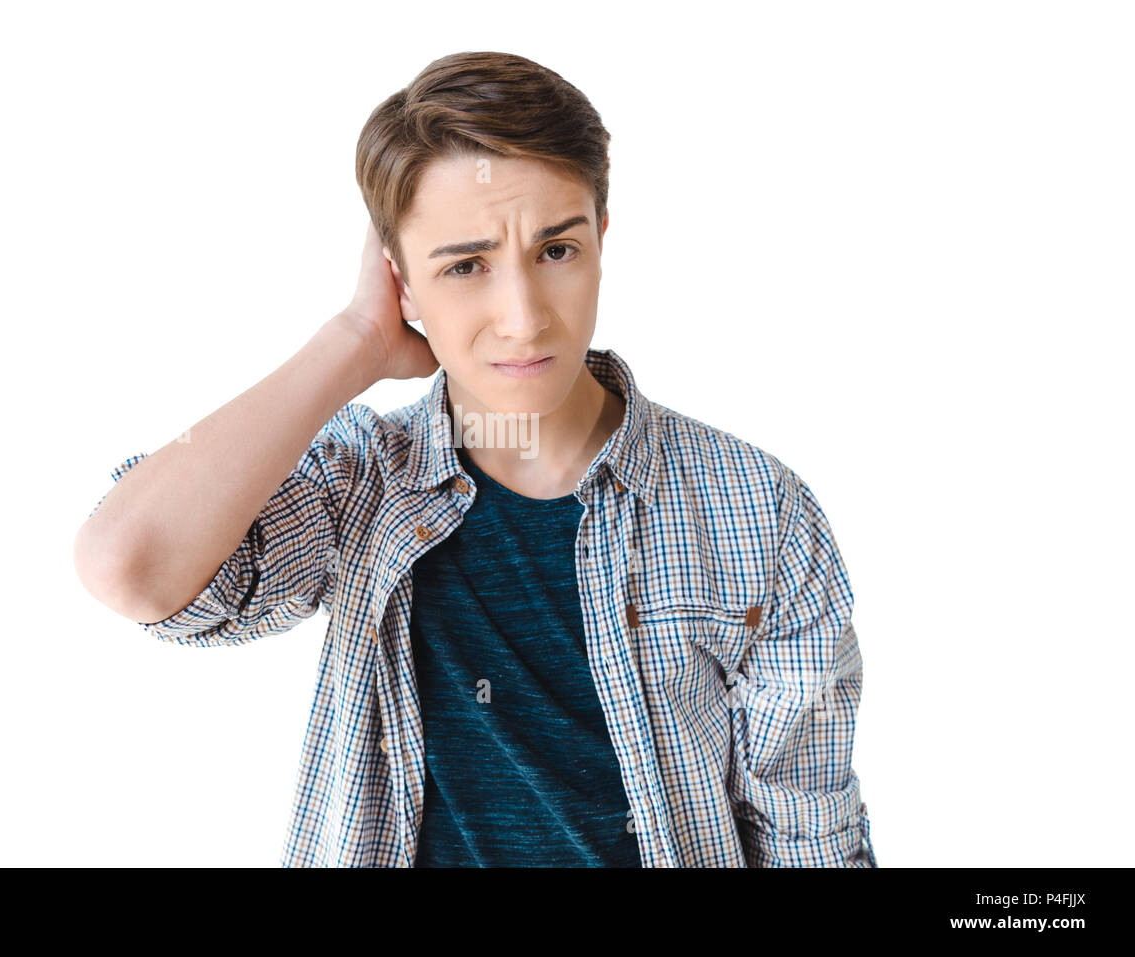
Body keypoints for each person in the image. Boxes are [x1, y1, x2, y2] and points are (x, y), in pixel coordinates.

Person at [73, 50, 877, 868]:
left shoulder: (756, 509)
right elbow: (127, 563)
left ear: (602, 236)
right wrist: (352, 340)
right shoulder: (361, 483)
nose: (523, 319)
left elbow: (811, 838)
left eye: (556, 251)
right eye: (465, 266)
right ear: (402, 285)